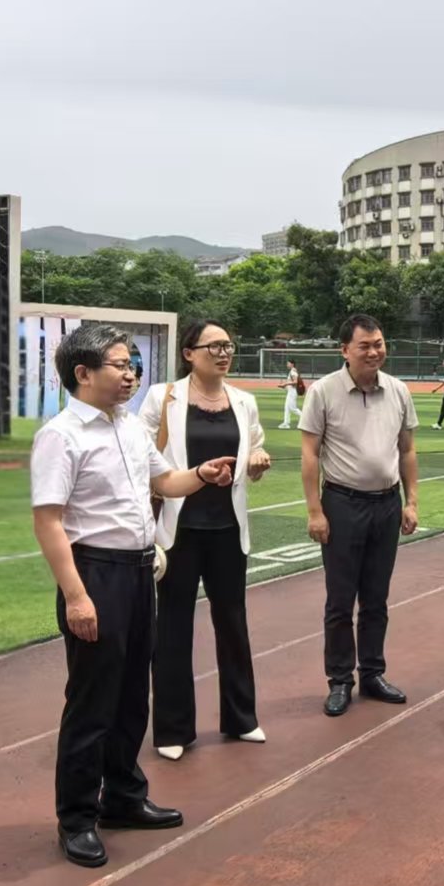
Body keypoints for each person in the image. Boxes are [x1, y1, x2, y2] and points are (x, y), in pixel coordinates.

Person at [31, 323, 238, 869]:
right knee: (91, 701)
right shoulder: (61, 436)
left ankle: (122, 796)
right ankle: (77, 818)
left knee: (130, 697)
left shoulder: (128, 427)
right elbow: (48, 521)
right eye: (121, 365)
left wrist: (202, 474)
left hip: (141, 571)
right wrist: (76, 596)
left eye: (133, 366)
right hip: (95, 573)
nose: (131, 375)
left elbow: (164, 483)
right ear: (83, 373)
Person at [140, 321, 272, 762]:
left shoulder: (244, 401)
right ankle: (173, 728)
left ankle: (241, 718)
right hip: (178, 530)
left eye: (228, 346)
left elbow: (254, 448)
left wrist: (257, 461)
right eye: (214, 346)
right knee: (172, 628)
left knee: (233, 623)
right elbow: (143, 455)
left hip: (228, 530)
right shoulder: (163, 397)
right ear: (189, 353)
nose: (223, 353)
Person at [299, 313, 420, 717]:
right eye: (364, 346)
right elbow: (310, 454)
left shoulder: (398, 390)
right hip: (342, 505)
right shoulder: (324, 392)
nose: (373, 352)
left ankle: (372, 673)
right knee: (340, 599)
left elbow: (407, 450)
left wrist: (411, 501)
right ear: (345, 350)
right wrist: (315, 511)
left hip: (386, 504)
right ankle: (339, 680)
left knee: (376, 598)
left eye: (379, 344)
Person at [279, 359, 303, 429]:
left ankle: (305, 418)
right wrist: (284, 386)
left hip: (292, 392)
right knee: (287, 407)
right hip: (290, 391)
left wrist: (285, 384)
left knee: (293, 408)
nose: (287, 365)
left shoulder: (293, 372)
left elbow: (295, 382)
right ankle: (286, 423)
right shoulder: (292, 371)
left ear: (292, 364)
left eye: (288, 363)